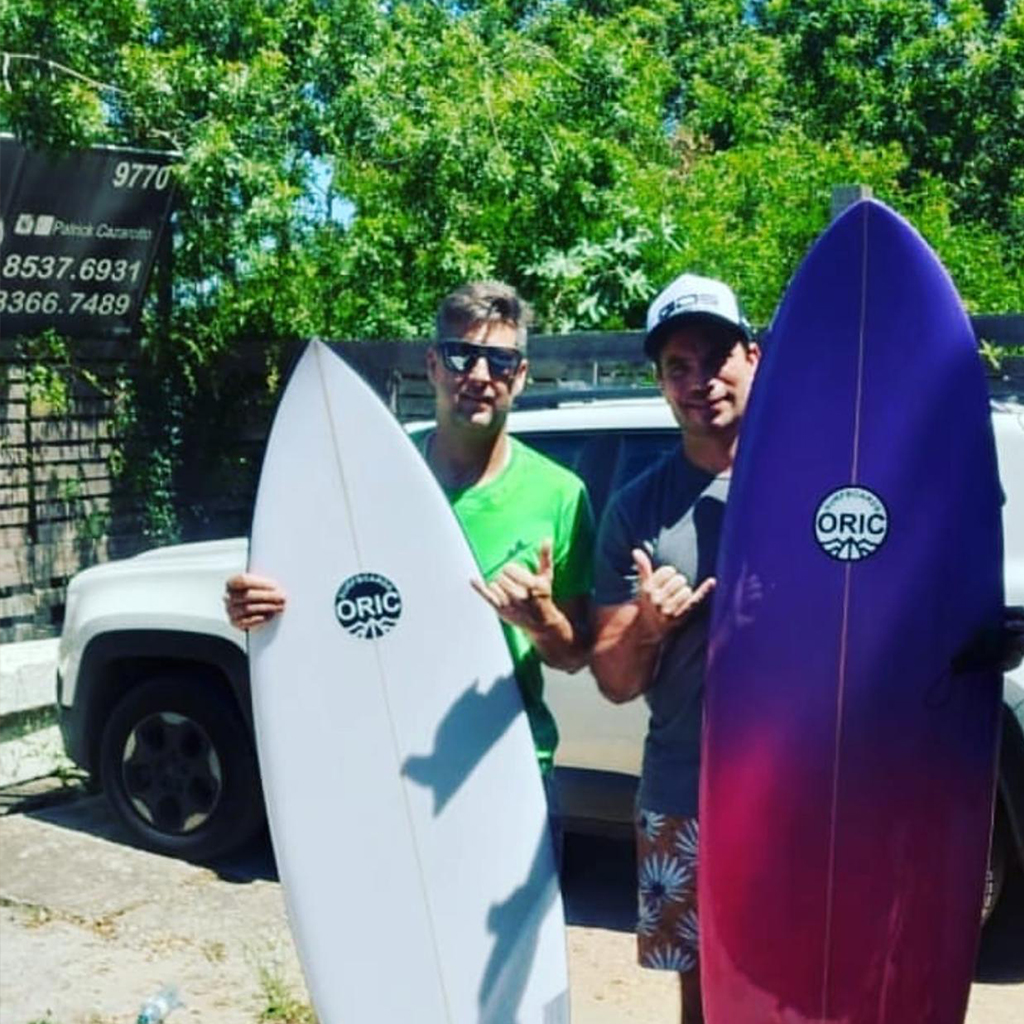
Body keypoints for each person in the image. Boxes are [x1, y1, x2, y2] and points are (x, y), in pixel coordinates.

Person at [227, 281, 594, 801]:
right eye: (462, 355)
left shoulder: (561, 495)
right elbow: (317, 598)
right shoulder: (369, 483)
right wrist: (257, 606)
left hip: (510, 774)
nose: (480, 375)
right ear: (433, 364)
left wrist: (542, 622)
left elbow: (575, 654)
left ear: (522, 376)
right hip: (384, 761)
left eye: (500, 361)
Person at [589, 272, 760, 1024]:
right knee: (702, 992)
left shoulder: (817, 481)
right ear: (660, 383)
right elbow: (615, 681)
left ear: (753, 357)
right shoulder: (637, 509)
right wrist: (650, 625)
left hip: (805, 777)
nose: (702, 381)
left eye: (718, 356)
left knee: (803, 967)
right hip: (683, 781)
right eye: (678, 367)